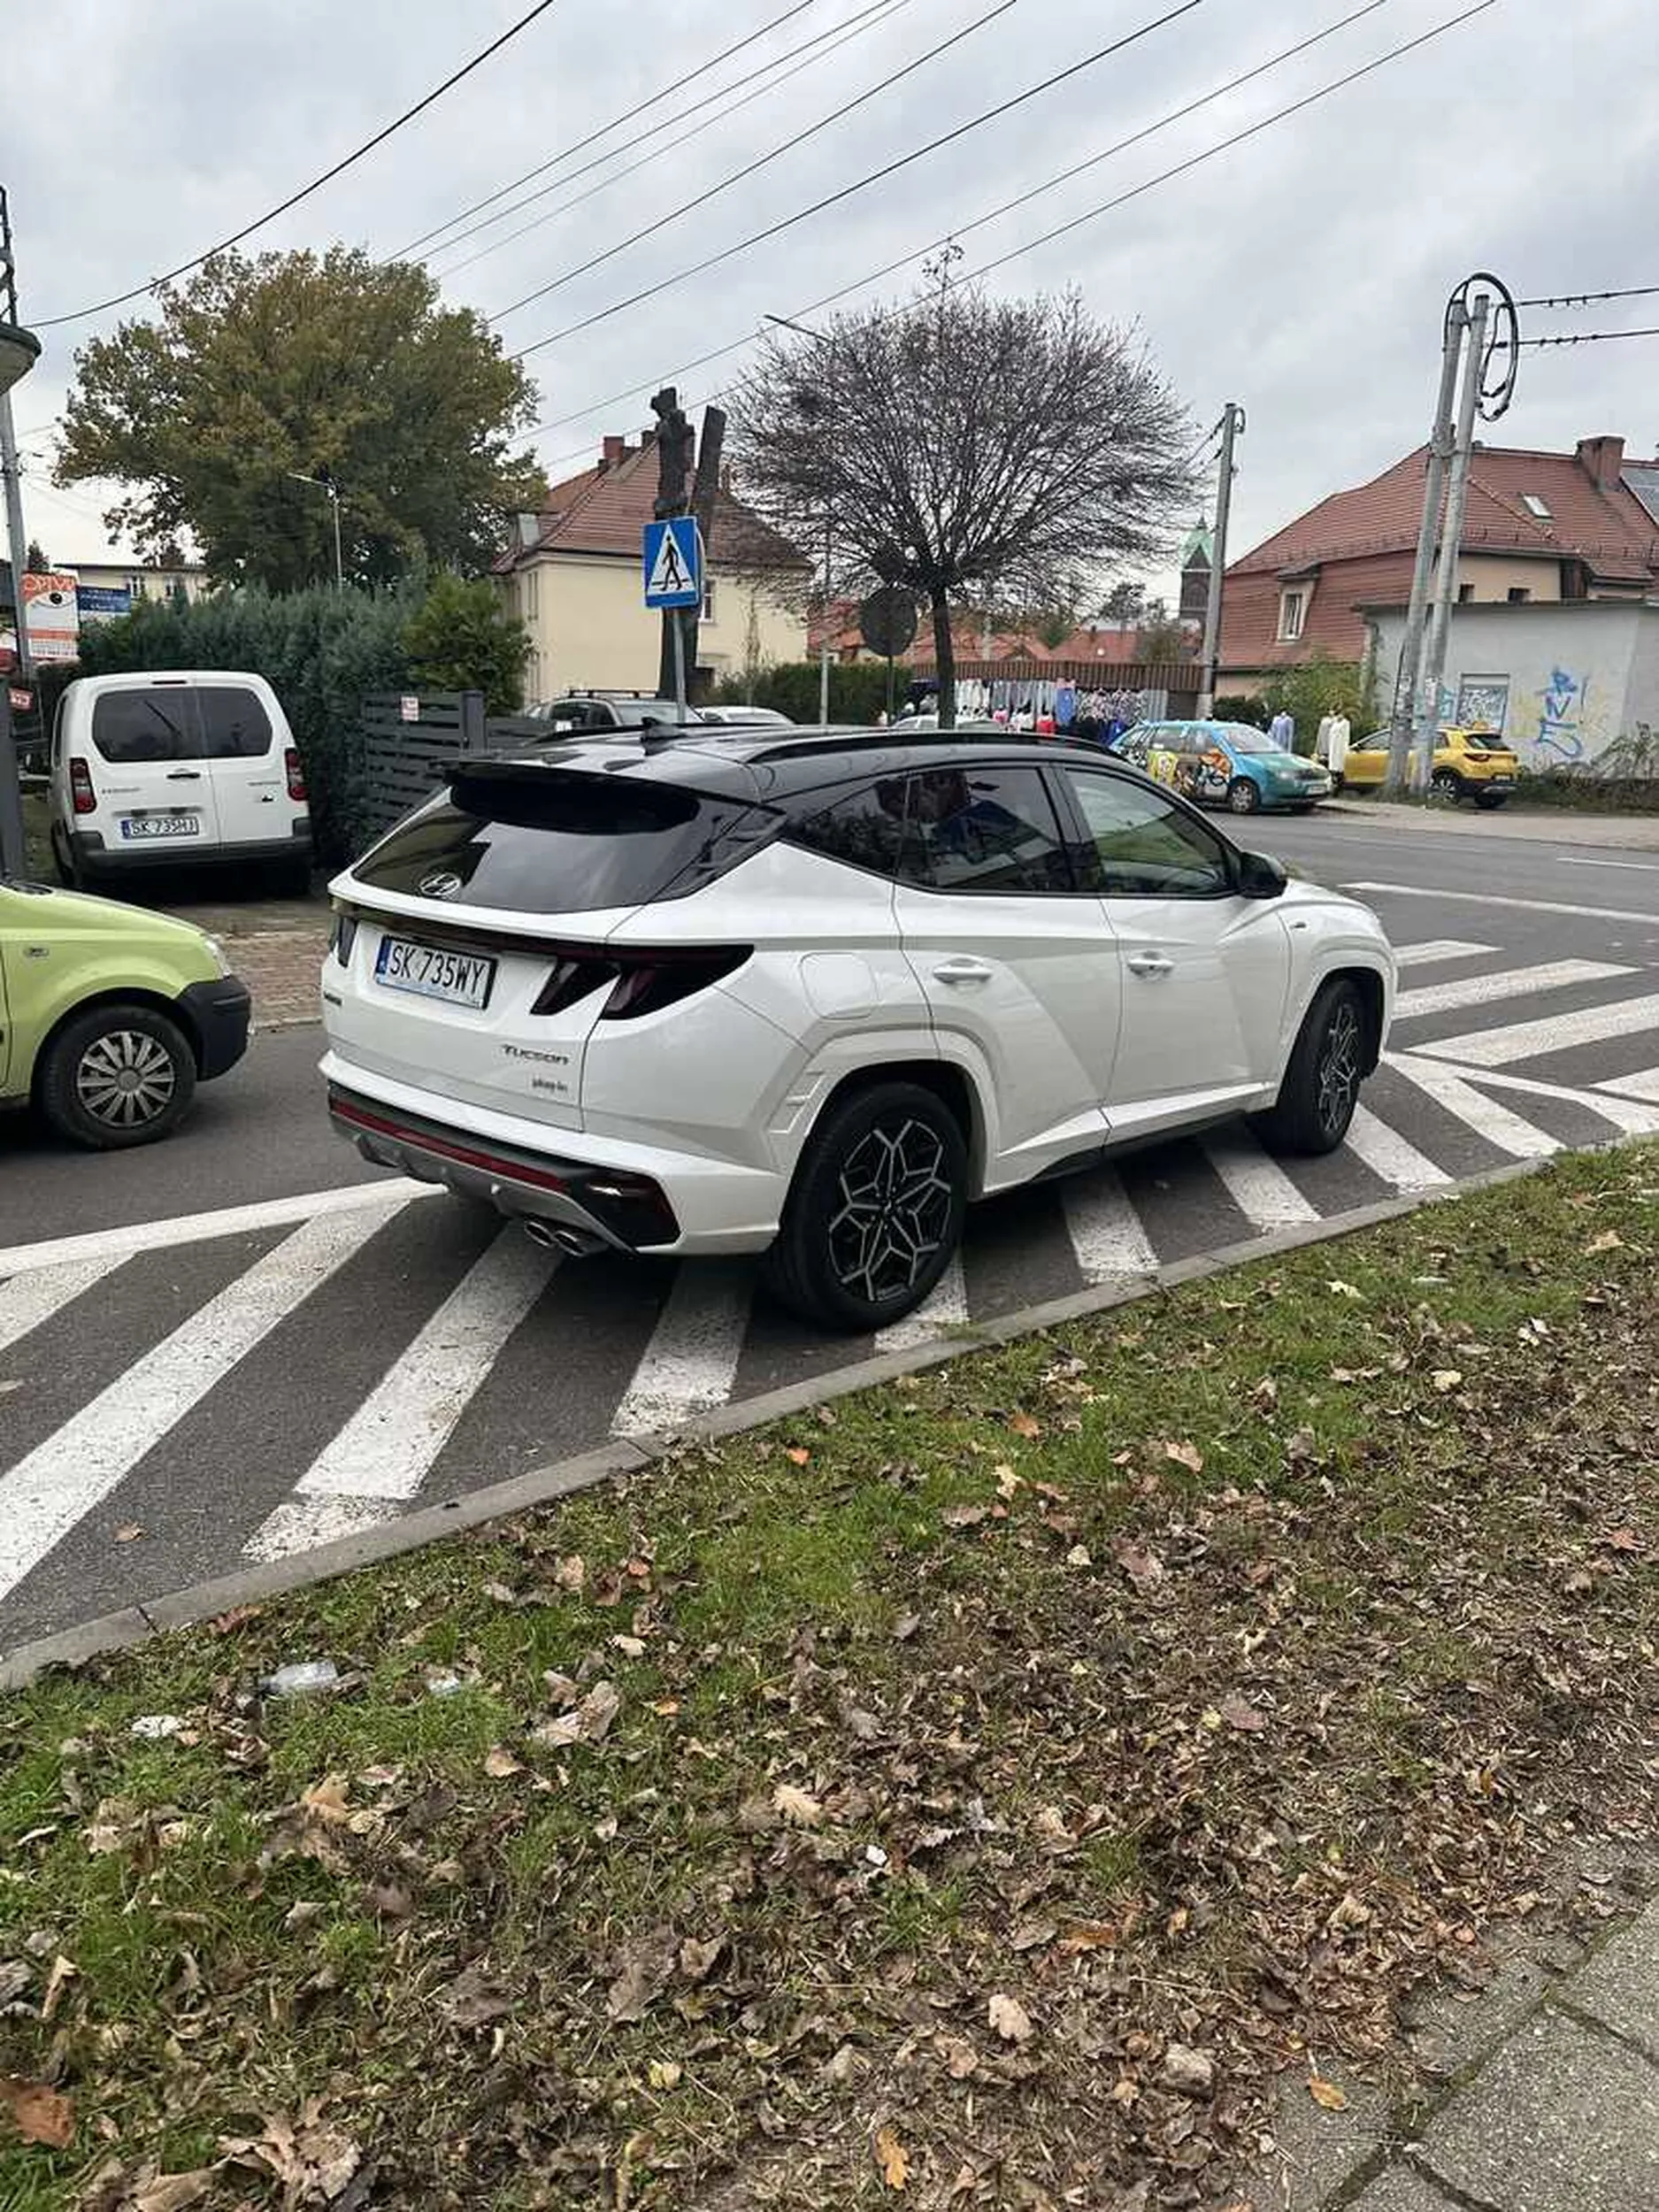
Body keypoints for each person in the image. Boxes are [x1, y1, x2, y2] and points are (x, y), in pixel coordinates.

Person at [1327, 712, 1351, 782]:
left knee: (1339, 760)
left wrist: (1346, 746)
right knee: (1333, 759)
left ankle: (1340, 775)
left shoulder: (1345, 723)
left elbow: (1346, 736)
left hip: (1340, 745)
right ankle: (1333, 774)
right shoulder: (1334, 723)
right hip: (1333, 745)